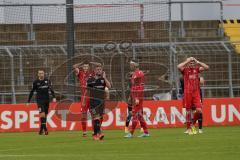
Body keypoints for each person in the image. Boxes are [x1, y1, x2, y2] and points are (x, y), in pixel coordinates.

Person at [178, 57, 209, 135]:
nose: (192, 64)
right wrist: (187, 60)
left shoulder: (197, 70)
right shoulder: (185, 70)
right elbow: (179, 66)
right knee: (188, 111)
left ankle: (192, 124)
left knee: (199, 110)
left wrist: (198, 61)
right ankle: (188, 129)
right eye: (190, 63)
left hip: (196, 93)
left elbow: (207, 67)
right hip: (188, 93)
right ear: (188, 63)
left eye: (193, 63)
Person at [82, 63, 111, 140]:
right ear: (94, 71)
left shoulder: (102, 79)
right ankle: (99, 133)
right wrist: (84, 101)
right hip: (93, 102)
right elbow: (87, 91)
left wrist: (105, 78)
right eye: (97, 69)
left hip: (101, 102)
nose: (99, 71)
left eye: (100, 69)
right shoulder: (90, 80)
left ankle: (95, 134)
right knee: (96, 118)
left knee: (100, 118)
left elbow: (109, 86)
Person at [124, 60, 149, 138]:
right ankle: (146, 132)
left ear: (135, 65)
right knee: (139, 116)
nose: (130, 66)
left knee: (135, 115)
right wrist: (131, 96)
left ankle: (131, 133)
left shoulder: (139, 73)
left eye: (131, 64)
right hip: (134, 97)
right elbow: (133, 87)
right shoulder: (134, 74)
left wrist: (137, 98)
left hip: (138, 97)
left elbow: (141, 87)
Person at [28, 69, 56, 135]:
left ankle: (41, 129)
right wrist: (28, 100)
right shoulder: (35, 82)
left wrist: (54, 97)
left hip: (46, 100)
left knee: (45, 115)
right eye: (40, 73)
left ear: (44, 74)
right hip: (39, 100)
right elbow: (32, 91)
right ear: (38, 74)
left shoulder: (47, 81)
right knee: (42, 113)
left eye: (42, 73)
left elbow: (51, 89)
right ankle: (45, 129)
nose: (41, 74)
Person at [73, 61, 93, 137]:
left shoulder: (92, 74)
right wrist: (81, 63)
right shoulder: (80, 73)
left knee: (93, 114)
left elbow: (100, 65)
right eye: (84, 67)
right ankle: (84, 132)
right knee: (83, 114)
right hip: (83, 97)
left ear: (89, 67)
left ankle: (94, 130)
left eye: (87, 67)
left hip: (91, 96)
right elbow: (74, 66)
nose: (85, 68)